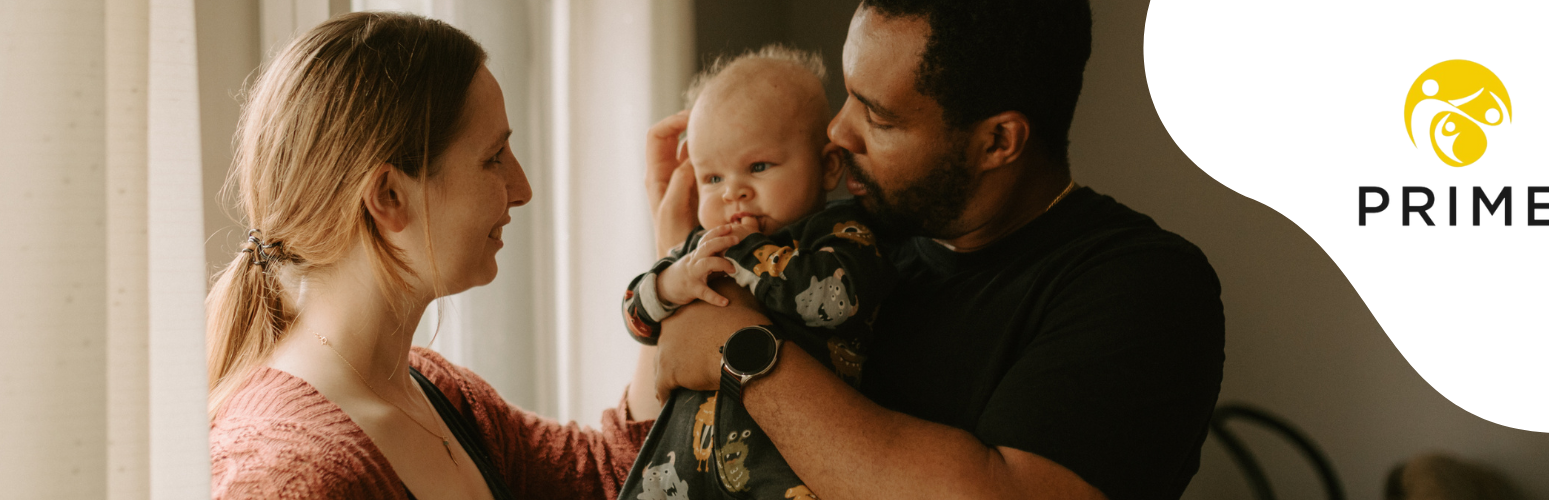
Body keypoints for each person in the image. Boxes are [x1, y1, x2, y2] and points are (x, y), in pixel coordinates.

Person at [644, 1, 1226, 499]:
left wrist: (743, 354)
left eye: (877, 116)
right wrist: (679, 256)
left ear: (997, 140)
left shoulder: (1140, 285)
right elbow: (654, 430)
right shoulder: (848, 242)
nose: (837, 133)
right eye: (847, 95)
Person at [206, 12, 651, 499]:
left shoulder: (441, 393)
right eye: (494, 157)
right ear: (389, 196)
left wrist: (673, 267)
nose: (521, 189)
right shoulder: (285, 479)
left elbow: (613, 479)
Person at [616, 46, 896, 499]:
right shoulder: (698, 248)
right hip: (683, 469)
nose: (734, 194)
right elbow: (635, 315)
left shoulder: (841, 236)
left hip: (786, 466)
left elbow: (832, 302)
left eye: (758, 167)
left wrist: (745, 256)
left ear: (828, 167)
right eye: (712, 179)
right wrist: (671, 281)